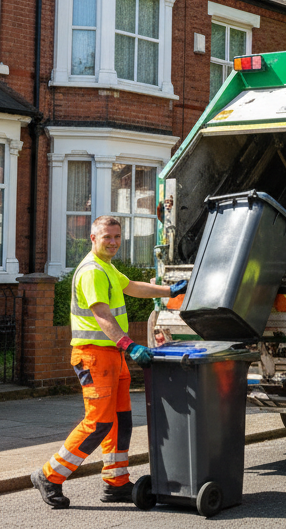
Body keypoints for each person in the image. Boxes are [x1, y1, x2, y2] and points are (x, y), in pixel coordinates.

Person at [32, 215, 186, 509]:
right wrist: (128, 345)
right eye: (107, 238)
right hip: (94, 356)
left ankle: (116, 482)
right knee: (98, 422)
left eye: (117, 237)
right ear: (93, 239)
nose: (113, 242)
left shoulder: (107, 268)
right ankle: (48, 475)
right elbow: (102, 314)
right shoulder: (92, 271)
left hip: (111, 357)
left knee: (120, 420)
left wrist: (169, 291)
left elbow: (133, 287)